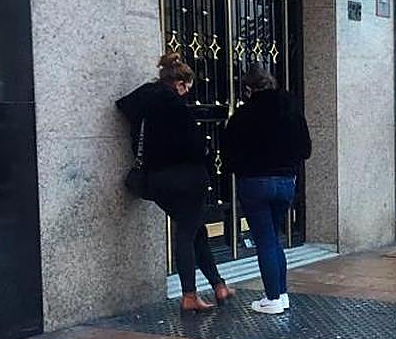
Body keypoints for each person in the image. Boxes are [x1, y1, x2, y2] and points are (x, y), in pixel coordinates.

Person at [117, 53, 233, 313]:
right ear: (180, 83)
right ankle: (189, 295)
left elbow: (123, 106)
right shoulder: (176, 106)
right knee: (186, 233)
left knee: (195, 229)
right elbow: (192, 147)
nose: (187, 93)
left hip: (156, 179)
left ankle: (218, 285)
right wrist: (205, 151)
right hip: (186, 180)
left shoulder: (145, 100)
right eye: (188, 88)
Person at [222, 66, 312, 315]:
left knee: (265, 240)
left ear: (248, 89)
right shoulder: (291, 110)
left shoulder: (242, 116)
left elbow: (228, 156)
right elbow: (305, 149)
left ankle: (273, 297)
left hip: (254, 182)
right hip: (285, 181)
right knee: (274, 237)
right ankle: (281, 294)